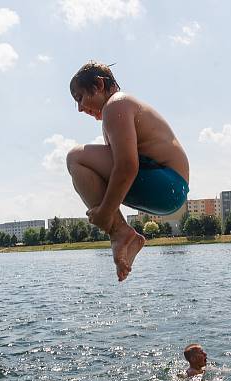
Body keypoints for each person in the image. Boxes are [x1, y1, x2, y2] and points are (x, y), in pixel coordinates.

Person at [66, 61, 190, 281]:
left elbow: (127, 166)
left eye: (80, 97)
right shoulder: (115, 112)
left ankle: (120, 232)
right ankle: (121, 232)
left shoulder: (117, 104)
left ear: (99, 84)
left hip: (167, 183)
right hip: (168, 192)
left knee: (75, 158)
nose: (79, 108)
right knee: (83, 167)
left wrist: (105, 212)